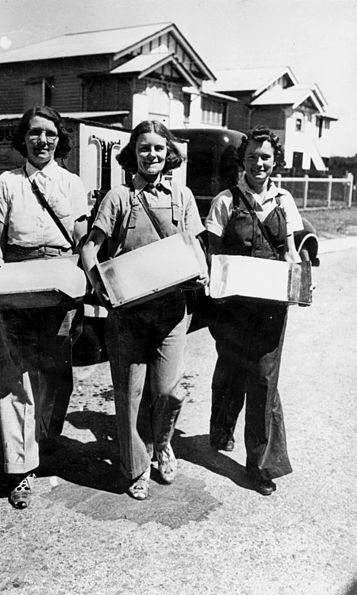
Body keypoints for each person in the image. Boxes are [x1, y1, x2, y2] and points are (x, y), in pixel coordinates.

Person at [0, 106, 89, 509]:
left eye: (50, 134)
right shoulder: (8, 183)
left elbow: (83, 242)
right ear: (24, 138)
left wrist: (95, 283)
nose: (42, 141)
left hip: (60, 282)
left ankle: (43, 436)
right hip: (17, 282)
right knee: (15, 375)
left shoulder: (72, 184)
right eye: (35, 133)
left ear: (60, 139)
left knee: (56, 374)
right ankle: (20, 468)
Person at [81, 120, 208, 500]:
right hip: (128, 314)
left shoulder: (182, 196)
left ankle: (163, 444)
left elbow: (194, 246)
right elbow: (90, 248)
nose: (151, 155)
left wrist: (201, 272)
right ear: (132, 155)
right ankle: (136, 468)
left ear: (169, 153)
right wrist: (98, 285)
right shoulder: (118, 197)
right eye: (143, 149)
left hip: (171, 312)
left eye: (157, 148)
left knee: (168, 392)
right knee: (129, 394)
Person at [205, 125, 303, 496]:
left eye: (265, 157)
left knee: (264, 379)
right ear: (242, 160)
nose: (258, 163)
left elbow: (290, 250)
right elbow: (213, 253)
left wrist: (299, 280)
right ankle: (222, 429)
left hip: (271, 308)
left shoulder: (284, 200)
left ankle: (261, 464)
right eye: (252, 157)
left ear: (275, 161)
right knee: (230, 369)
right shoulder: (225, 201)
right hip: (232, 306)